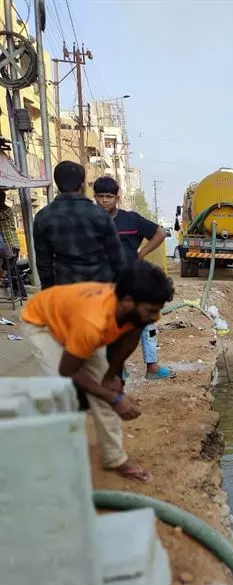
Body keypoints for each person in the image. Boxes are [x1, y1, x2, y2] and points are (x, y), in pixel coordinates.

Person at [20, 260, 174, 483]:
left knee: (106, 388)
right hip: (43, 323)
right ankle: (49, 457)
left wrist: (112, 376)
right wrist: (115, 398)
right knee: (61, 390)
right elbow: (67, 370)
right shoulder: (92, 322)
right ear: (128, 301)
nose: (154, 317)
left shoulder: (141, 309)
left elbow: (131, 337)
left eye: (157, 311)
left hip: (74, 323)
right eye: (151, 311)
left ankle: (114, 458)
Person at [93, 176, 172, 380]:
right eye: (100, 196)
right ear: (94, 197)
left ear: (116, 197)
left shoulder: (131, 219)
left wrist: (141, 253)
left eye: (108, 196)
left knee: (147, 323)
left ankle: (152, 367)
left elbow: (160, 233)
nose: (104, 201)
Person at [33, 161, 126, 289]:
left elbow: (43, 263)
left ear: (57, 184)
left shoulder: (43, 217)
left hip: (64, 290)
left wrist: (49, 291)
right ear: (82, 185)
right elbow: (117, 258)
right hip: (99, 290)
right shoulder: (99, 214)